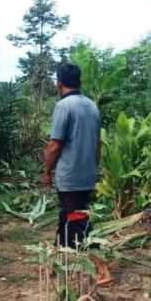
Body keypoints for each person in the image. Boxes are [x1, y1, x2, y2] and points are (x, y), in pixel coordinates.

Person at [42, 63, 101, 248]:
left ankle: (96, 261)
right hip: (88, 175)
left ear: (59, 83)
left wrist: (46, 171)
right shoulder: (92, 106)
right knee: (71, 215)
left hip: (70, 177)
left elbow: (55, 145)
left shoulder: (64, 106)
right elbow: (98, 144)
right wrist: (94, 168)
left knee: (76, 220)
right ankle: (60, 255)